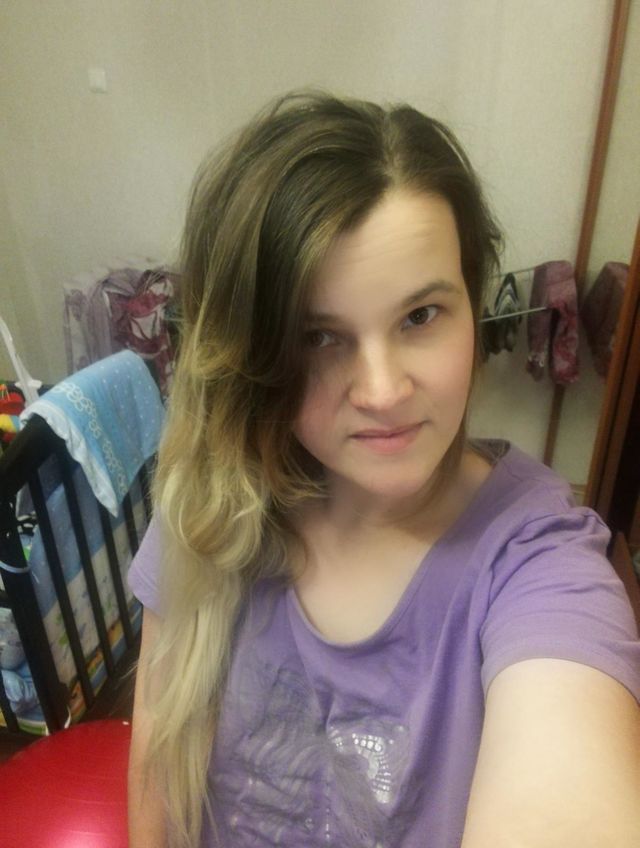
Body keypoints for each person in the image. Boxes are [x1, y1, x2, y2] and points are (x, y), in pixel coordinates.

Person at [127, 90, 640, 848]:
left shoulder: (539, 565)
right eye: (319, 337)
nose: (382, 392)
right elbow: (158, 776)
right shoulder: (214, 502)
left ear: (472, 308)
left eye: (420, 316)